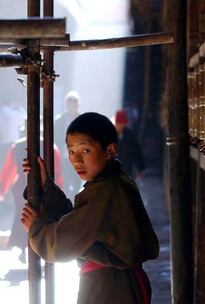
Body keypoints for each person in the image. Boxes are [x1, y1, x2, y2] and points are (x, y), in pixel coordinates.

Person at [21, 112, 159, 304]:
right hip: (113, 284)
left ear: (110, 150)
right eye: (71, 152)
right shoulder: (111, 182)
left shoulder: (108, 189)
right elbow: (77, 221)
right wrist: (46, 186)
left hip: (111, 288)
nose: (77, 160)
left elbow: (62, 243)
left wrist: (36, 228)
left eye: (85, 151)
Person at [0, 126, 63, 263]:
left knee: (24, 216)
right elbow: (56, 170)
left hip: (22, 189)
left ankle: (25, 247)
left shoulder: (17, 146)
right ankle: (39, 247)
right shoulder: (49, 146)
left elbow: (9, 170)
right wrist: (57, 188)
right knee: (41, 216)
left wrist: (3, 189)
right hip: (44, 188)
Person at [55, 90, 82, 200]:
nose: (71, 106)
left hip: (79, 157)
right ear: (66, 105)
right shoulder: (59, 121)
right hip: (64, 157)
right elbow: (55, 139)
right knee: (65, 182)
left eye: (74, 103)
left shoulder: (82, 120)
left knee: (76, 183)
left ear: (77, 105)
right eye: (69, 103)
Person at [115, 110, 146, 180]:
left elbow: (137, 151)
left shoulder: (130, 135)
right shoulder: (110, 136)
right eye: (119, 123)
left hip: (127, 170)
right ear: (116, 123)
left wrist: (140, 168)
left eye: (123, 124)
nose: (121, 126)